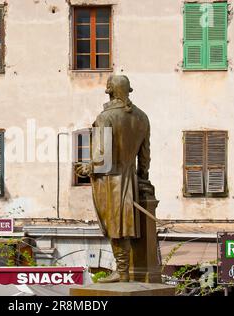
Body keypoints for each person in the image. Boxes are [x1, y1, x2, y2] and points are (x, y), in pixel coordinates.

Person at [75, 75, 152, 283]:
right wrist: (142, 179)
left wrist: (88, 167)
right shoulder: (142, 117)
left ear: (109, 90)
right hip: (132, 180)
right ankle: (124, 269)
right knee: (125, 226)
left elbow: (103, 158)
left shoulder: (105, 118)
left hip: (112, 182)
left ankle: (122, 270)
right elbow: (145, 157)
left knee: (115, 226)